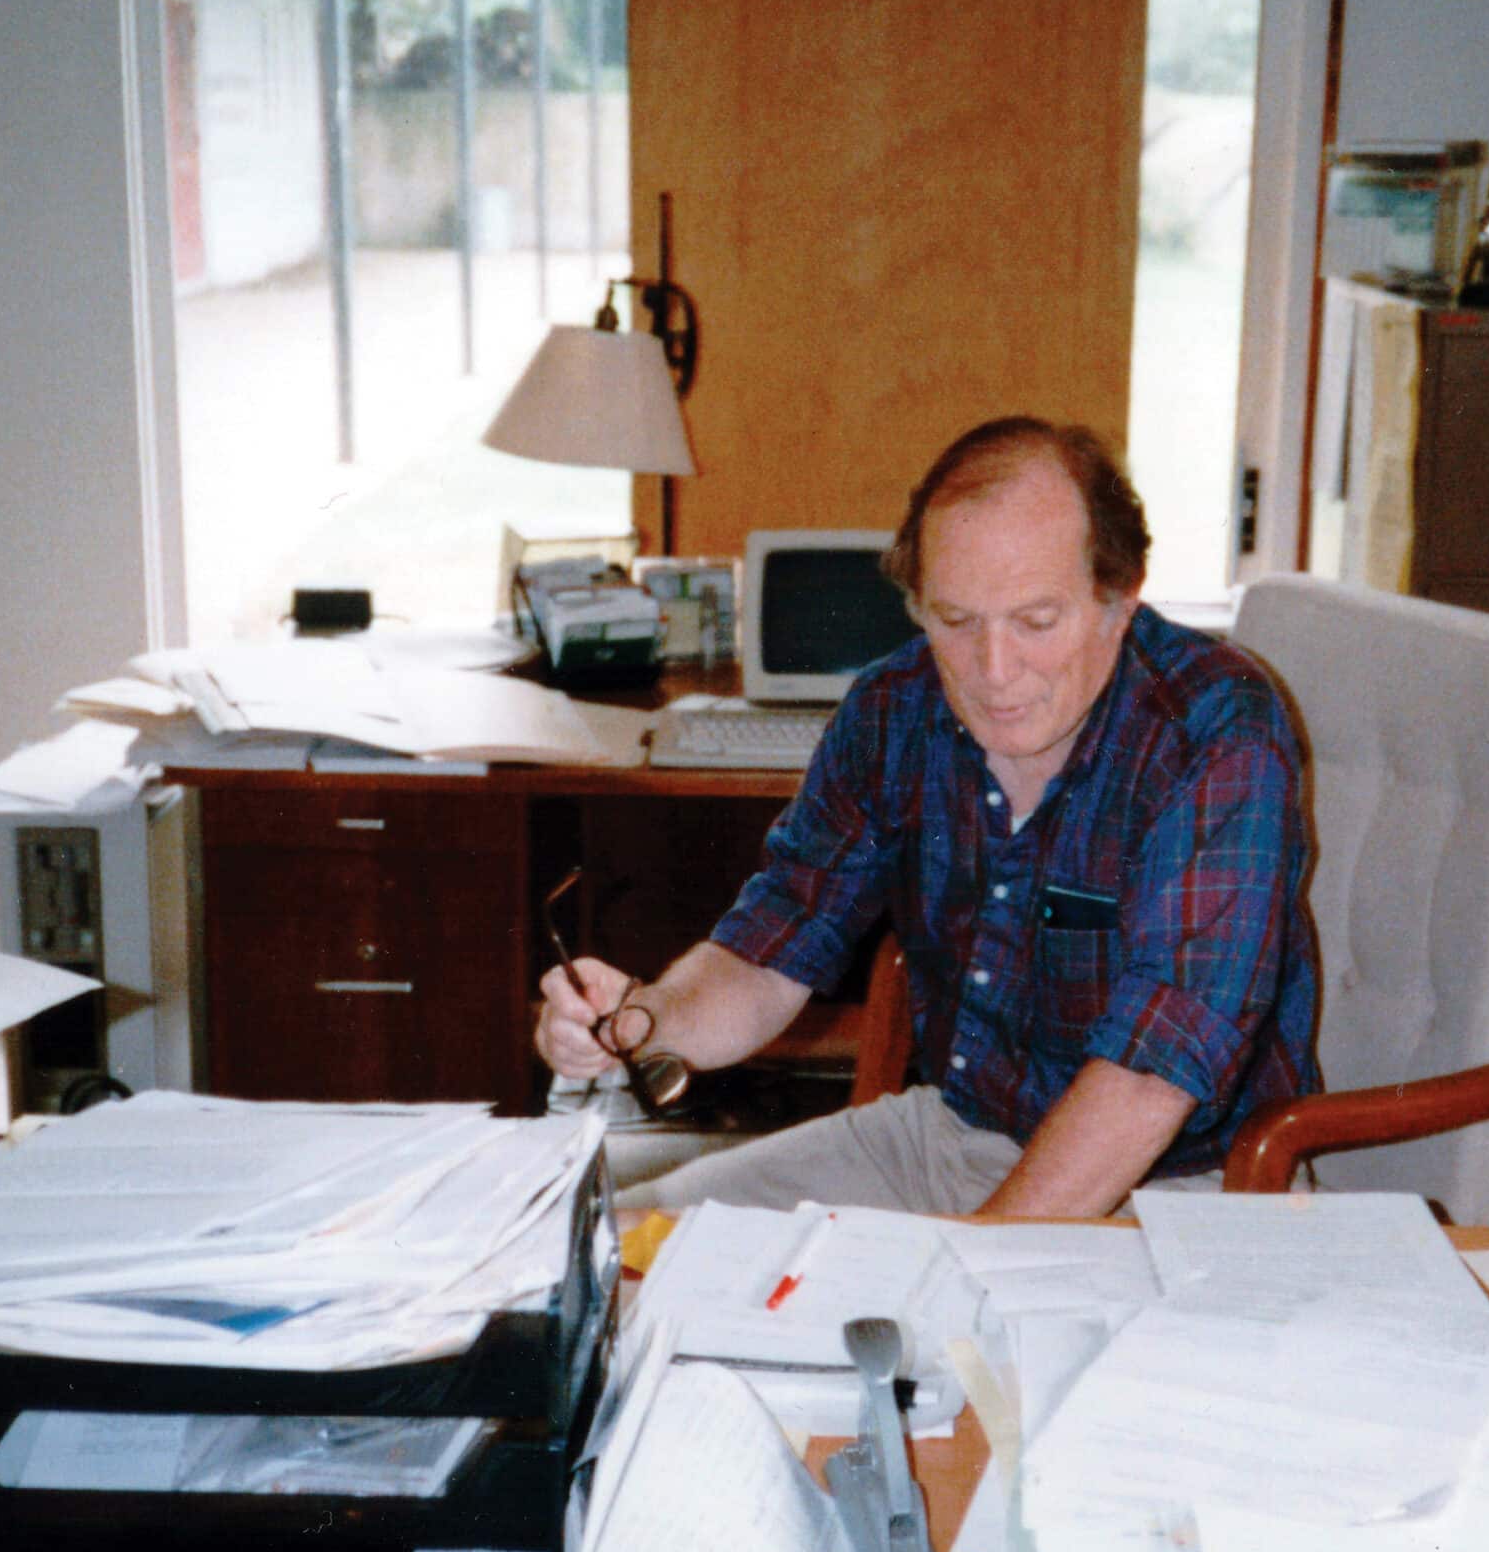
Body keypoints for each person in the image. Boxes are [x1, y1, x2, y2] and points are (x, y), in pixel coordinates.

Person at [534, 415, 1320, 1216]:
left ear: (1119, 600)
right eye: (956, 621)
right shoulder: (893, 708)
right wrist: (640, 1019)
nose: (995, 669)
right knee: (629, 1241)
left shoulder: (1216, 728)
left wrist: (970, 1258)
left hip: (1179, 1182)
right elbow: (771, 950)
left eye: (1037, 622)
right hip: (956, 1135)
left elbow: (1154, 1075)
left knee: (938, 1330)